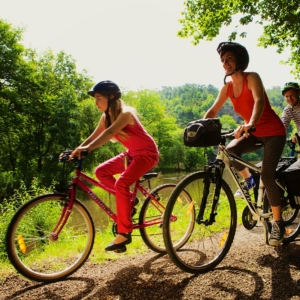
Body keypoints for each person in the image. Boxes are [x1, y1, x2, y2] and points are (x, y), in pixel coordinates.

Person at [204, 42, 286, 246]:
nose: (225, 63)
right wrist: (201, 125)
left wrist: (250, 123)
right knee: (231, 150)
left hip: (273, 132)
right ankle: (249, 181)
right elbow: (213, 111)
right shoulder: (228, 87)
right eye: (223, 60)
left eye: (229, 58)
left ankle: (278, 224)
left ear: (239, 60)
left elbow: (259, 101)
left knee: (267, 175)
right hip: (253, 132)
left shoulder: (252, 77)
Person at [70, 80, 159, 251]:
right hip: (132, 154)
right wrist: (78, 150)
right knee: (101, 171)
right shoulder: (106, 117)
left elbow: (109, 133)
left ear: (111, 97)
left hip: (147, 154)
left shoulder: (125, 114)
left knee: (121, 184)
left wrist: (88, 149)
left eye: (98, 98)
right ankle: (128, 201)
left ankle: (124, 233)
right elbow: (93, 136)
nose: (96, 103)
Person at [281, 82, 300, 158]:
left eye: (292, 95)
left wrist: (298, 135)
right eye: (287, 96)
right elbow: (282, 126)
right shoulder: (288, 110)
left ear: (298, 93)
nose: (289, 99)